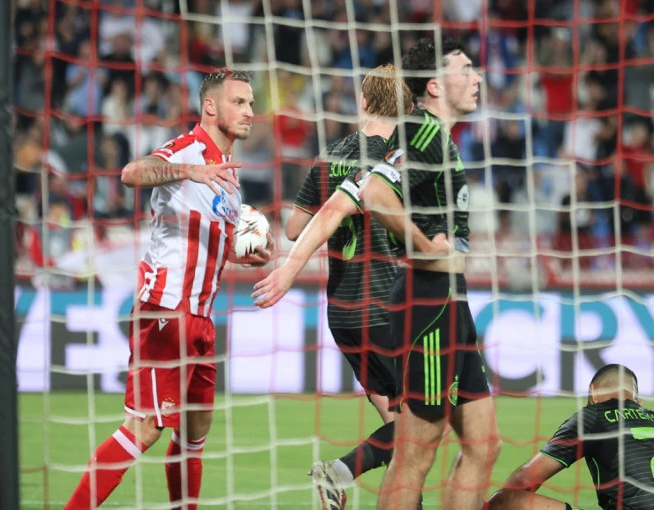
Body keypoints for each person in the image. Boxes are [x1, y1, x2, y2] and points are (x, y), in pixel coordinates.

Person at [64, 70, 274, 510]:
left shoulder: (227, 175)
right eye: (239, 102)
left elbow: (209, 239)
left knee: (194, 435)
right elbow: (131, 173)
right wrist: (187, 171)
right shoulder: (187, 150)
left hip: (200, 318)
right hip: (166, 309)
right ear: (211, 105)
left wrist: (242, 255)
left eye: (251, 103)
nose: (250, 112)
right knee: (144, 428)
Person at [252, 64, 414, 510]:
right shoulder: (402, 158)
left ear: (363, 102)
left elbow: (293, 228)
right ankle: (339, 471)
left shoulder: (332, 154)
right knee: (423, 425)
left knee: (399, 431)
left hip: (343, 309)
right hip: (387, 305)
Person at [359, 38, 501, 510]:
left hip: (450, 300)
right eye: (466, 69)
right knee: (416, 453)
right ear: (436, 85)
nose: (476, 77)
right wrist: (423, 245)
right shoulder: (422, 131)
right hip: (428, 301)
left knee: (484, 444)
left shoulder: (442, 138)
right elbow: (374, 192)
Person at [487, 364, 654, 510]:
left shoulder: (593, 416)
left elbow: (524, 480)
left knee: (504, 500)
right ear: (637, 402)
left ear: (593, 392)